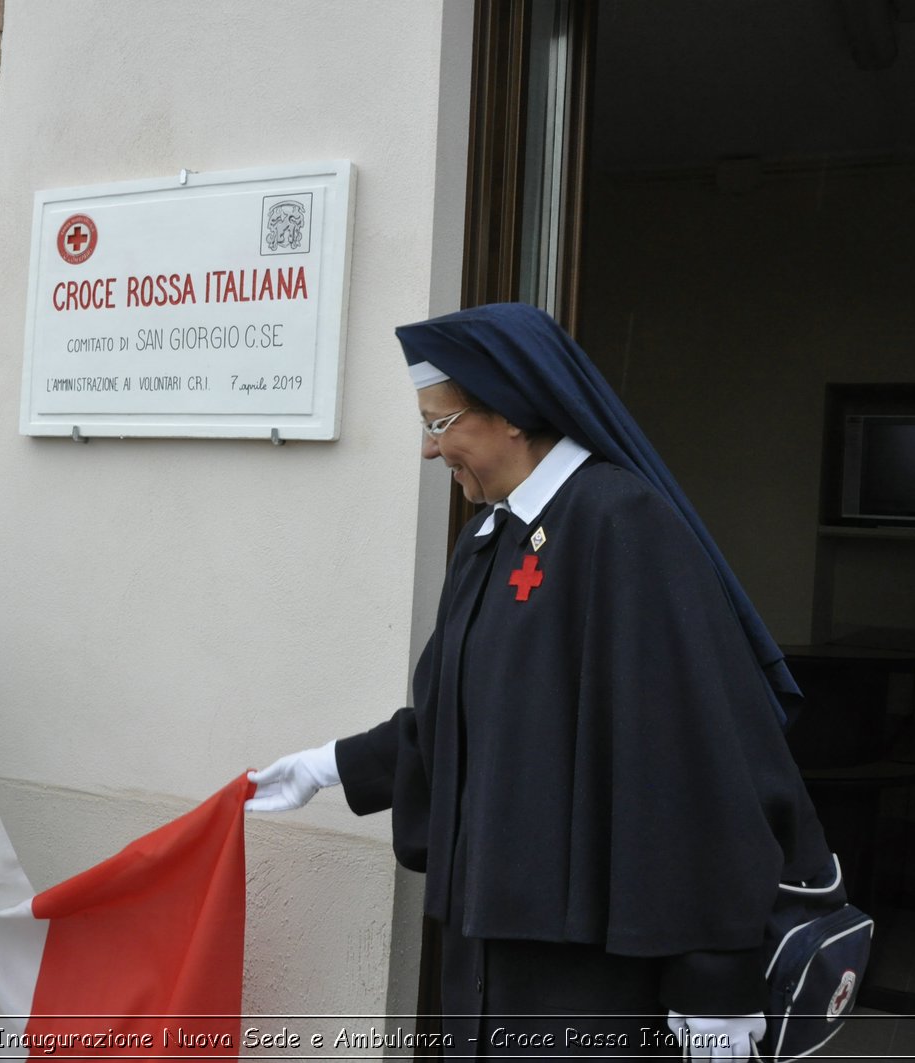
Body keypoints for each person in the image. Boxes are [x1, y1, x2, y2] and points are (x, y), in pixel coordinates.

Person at [247, 303, 833, 1061]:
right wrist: (328, 765)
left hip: (590, 975)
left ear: (513, 415)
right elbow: (460, 719)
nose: (430, 452)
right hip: (489, 956)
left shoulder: (622, 524)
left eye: (439, 424)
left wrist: (715, 975)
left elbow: (697, 757)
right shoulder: (491, 538)